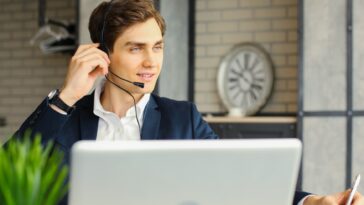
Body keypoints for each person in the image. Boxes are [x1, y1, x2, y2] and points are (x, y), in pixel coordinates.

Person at [12, 0, 364, 205]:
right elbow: (8, 176)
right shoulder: (65, 119)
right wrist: (67, 96)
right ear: (103, 54)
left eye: (157, 47)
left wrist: (308, 201)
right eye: (136, 48)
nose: (152, 62)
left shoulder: (183, 117)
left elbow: (238, 183)